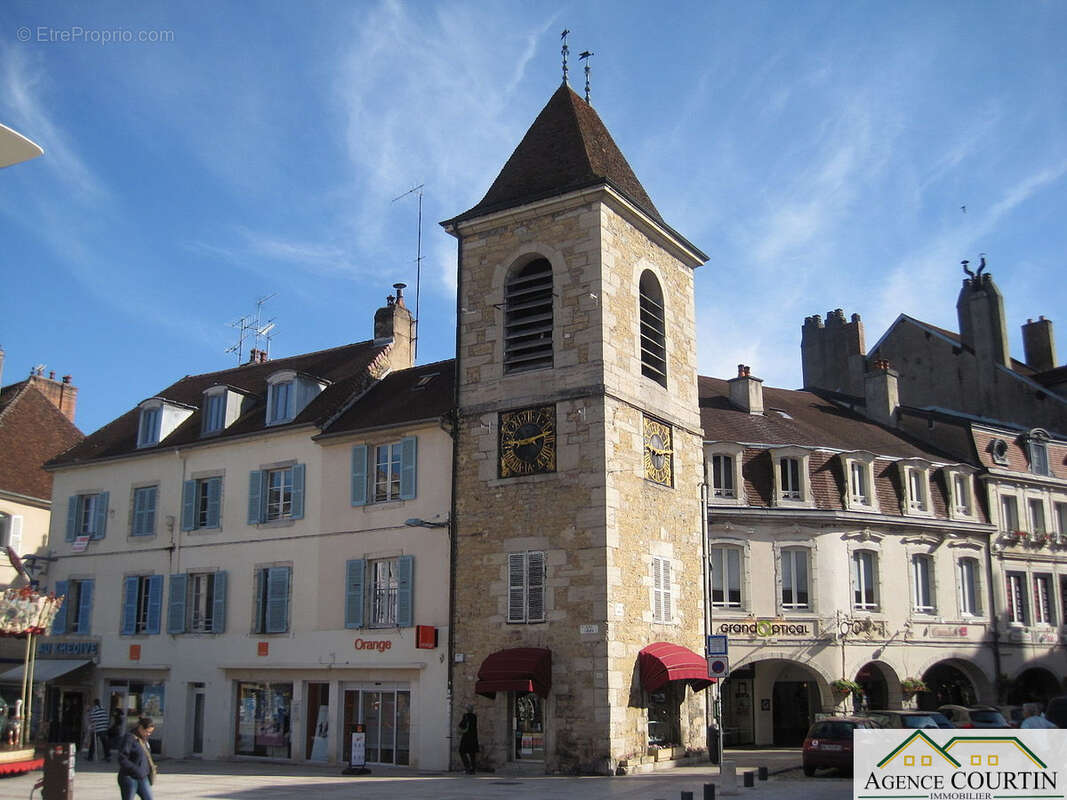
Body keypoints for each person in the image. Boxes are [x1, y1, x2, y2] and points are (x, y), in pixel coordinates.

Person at [117, 716, 158, 800]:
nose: (148, 734)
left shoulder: (144, 740)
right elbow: (122, 758)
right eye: (147, 732)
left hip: (143, 777)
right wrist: (135, 769)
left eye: (150, 732)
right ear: (140, 728)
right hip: (129, 777)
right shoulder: (129, 738)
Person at [457, 704, 479, 774]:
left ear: (467, 709)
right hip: (473, 737)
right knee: (472, 753)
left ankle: (467, 767)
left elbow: (461, 725)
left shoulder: (465, 716)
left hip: (466, 737)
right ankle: (473, 769)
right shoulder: (475, 717)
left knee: (461, 751)